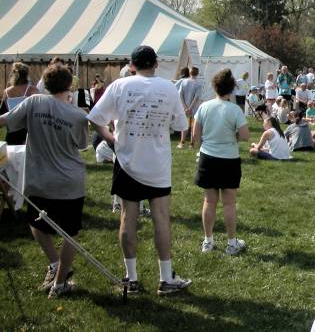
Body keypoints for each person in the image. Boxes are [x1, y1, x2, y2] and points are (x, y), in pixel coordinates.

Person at [87, 45, 192, 296]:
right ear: (155, 63)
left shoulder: (119, 86)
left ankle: (131, 278)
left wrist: (112, 138)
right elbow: (180, 125)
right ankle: (165, 278)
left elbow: (94, 118)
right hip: (156, 164)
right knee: (161, 219)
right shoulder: (169, 87)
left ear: (132, 65)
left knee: (128, 218)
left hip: (127, 162)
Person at [0, 63, 88, 298]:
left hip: (39, 179)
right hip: (69, 182)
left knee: (36, 223)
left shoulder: (34, 102)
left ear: (45, 85)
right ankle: (59, 278)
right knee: (70, 232)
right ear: (69, 85)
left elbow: (6, 120)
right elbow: (82, 145)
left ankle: (55, 266)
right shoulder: (77, 115)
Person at [191, 68, 250, 256]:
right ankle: (232, 243)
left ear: (214, 86)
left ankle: (208, 241)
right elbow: (245, 136)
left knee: (209, 201)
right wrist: (230, 136)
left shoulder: (204, 107)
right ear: (231, 89)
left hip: (208, 157)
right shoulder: (235, 110)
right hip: (229, 159)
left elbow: (195, 136)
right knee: (229, 204)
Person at [1, 62, 39, 146]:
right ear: (27, 75)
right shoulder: (33, 90)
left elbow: (3, 113)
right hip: (28, 134)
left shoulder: (7, 91)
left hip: (11, 133)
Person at [177, 66, 202, 149]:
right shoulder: (198, 84)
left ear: (190, 73)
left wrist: (185, 107)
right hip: (194, 108)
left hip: (185, 107)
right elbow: (196, 97)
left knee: (185, 125)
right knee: (193, 126)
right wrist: (190, 107)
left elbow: (180, 94)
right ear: (197, 74)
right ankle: (191, 144)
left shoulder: (184, 82)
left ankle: (182, 143)